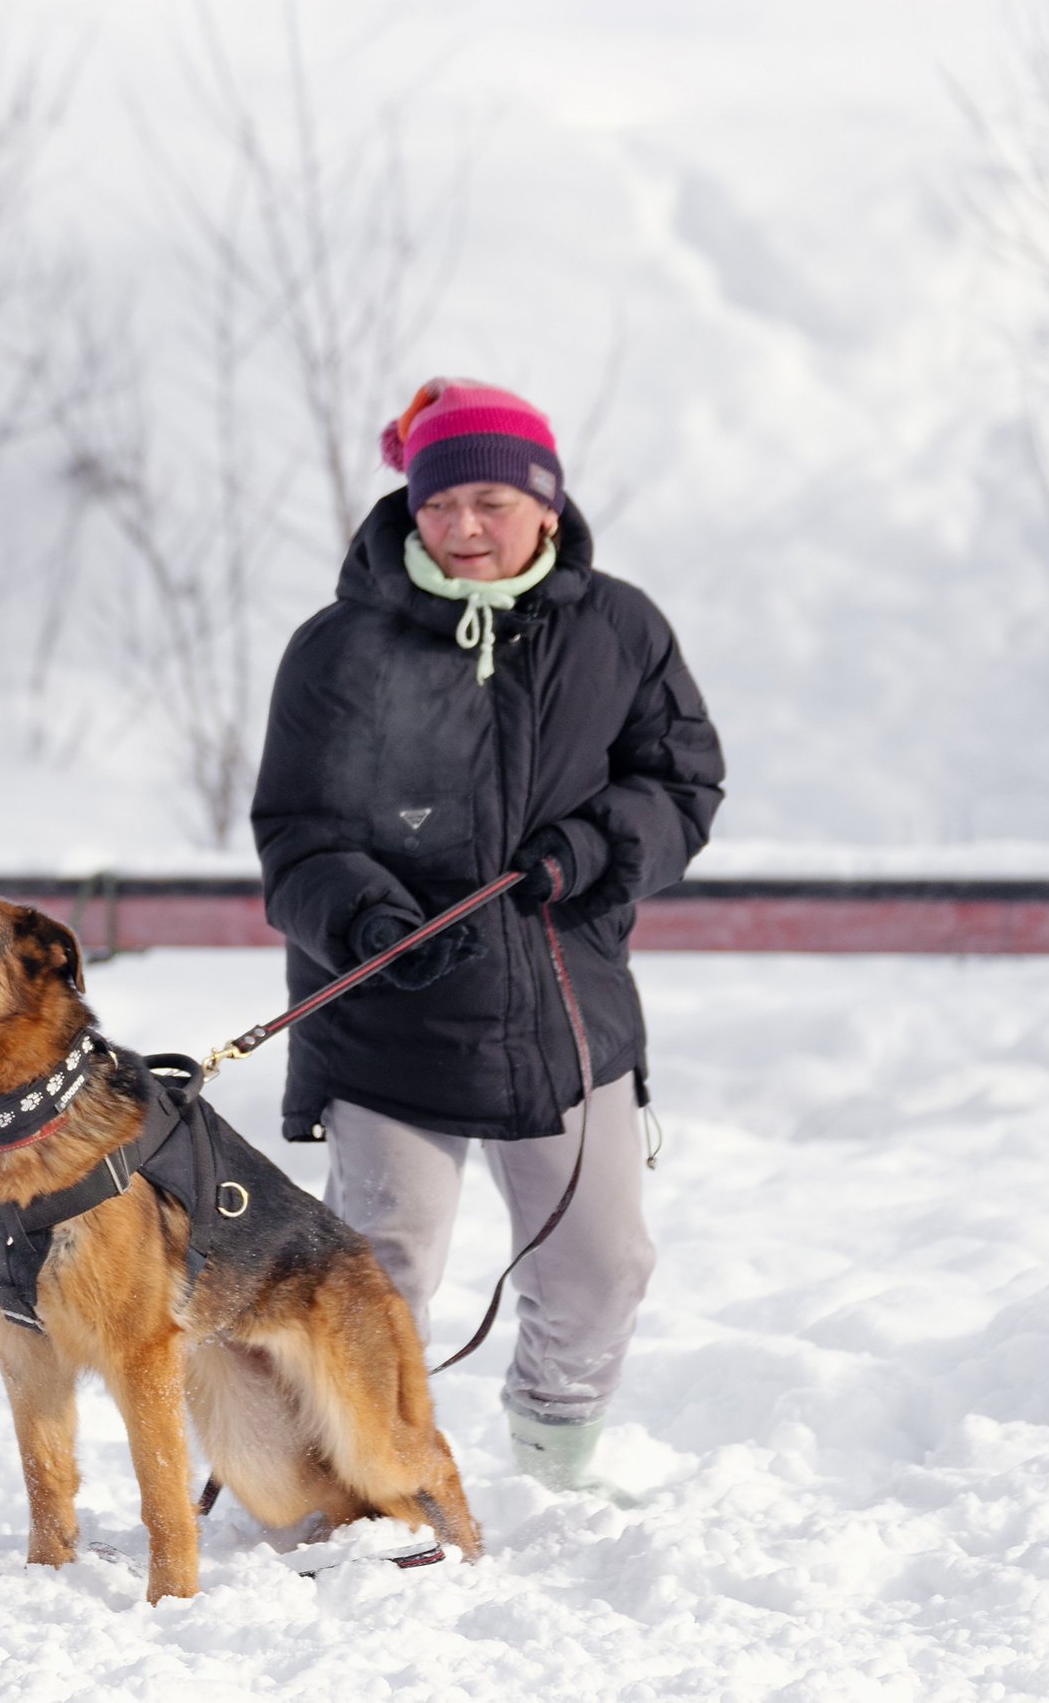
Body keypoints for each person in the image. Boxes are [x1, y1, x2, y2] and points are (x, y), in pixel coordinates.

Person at [249, 377, 724, 1500]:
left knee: (602, 1264)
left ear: (545, 509)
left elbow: (681, 781)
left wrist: (596, 848)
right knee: (381, 1264)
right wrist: (365, 916)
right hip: (385, 1012)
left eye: (490, 504)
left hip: (565, 1010)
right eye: (439, 502)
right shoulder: (338, 648)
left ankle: (552, 1459)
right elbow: (298, 830)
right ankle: (356, 1480)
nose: (462, 528)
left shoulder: (621, 629)